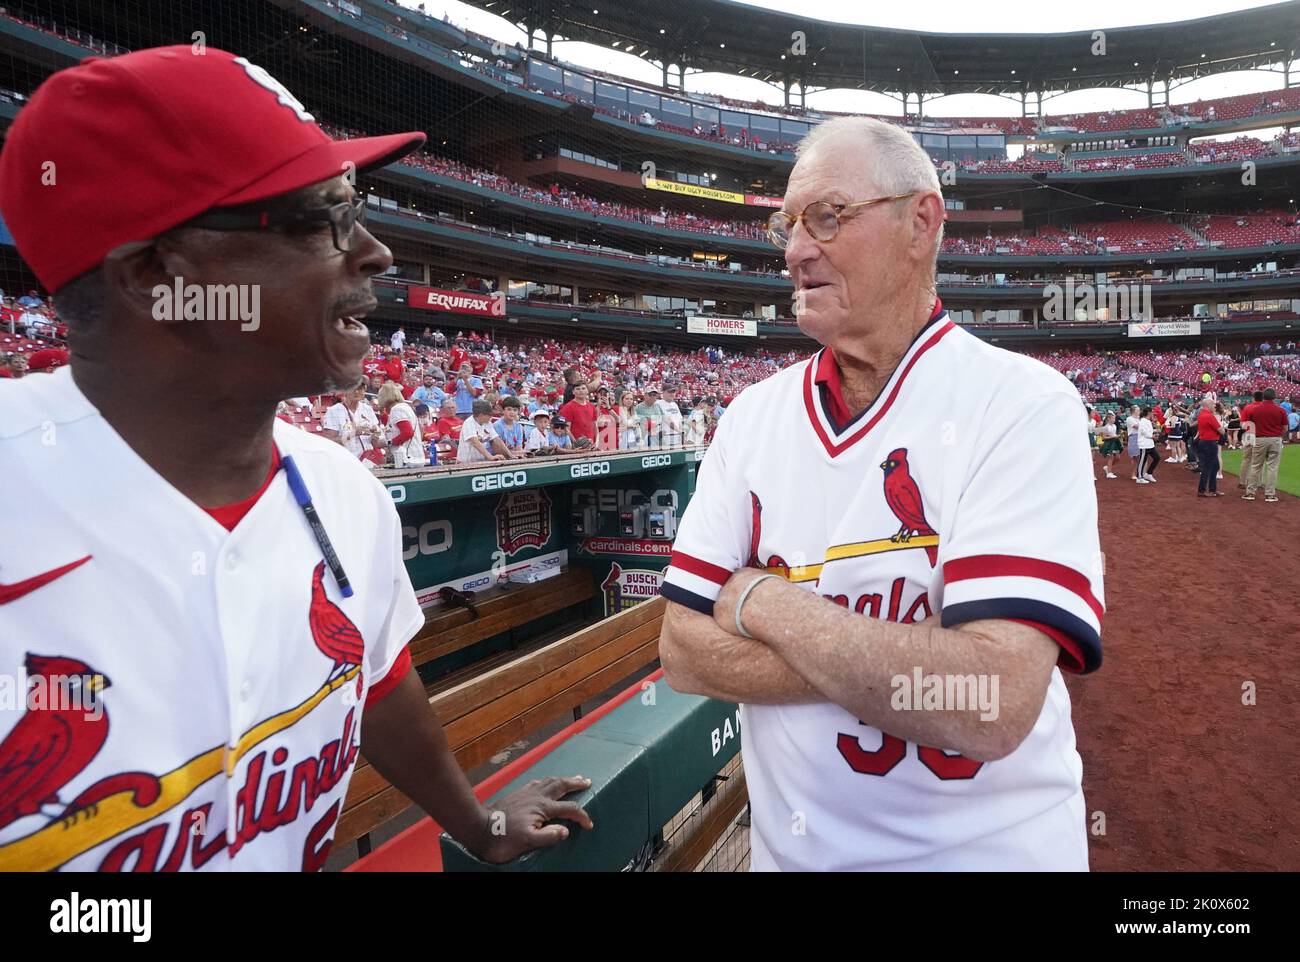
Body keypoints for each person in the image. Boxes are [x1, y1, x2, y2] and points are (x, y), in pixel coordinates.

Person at [0, 46, 588, 870]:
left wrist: (477, 823)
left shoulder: (343, 490)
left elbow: (376, 684)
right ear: (154, 276)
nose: (376, 252)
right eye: (322, 219)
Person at [658, 116, 1103, 871]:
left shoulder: (1022, 402)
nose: (798, 250)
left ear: (920, 221)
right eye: (787, 225)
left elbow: (990, 703)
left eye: (827, 217)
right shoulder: (751, 417)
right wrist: (920, 660)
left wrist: (763, 605)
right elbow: (682, 651)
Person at [321, 378, 386, 459]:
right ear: (345, 391)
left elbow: (377, 443)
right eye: (352, 389)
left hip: (369, 461)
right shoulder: (334, 411)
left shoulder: (368, 409)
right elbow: (330, 442)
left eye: (360, 389)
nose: (356, 392)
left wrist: (376, 435)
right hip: (346, 460)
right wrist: (353, 433)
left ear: (364, 390)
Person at [1242, 387, 1286, 502]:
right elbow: (1285, 427)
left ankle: (1250, 492)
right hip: (1275, 439)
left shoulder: (1255, 409)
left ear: (1264, 397)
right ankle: (1270, 494)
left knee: (1256, 466)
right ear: (1274, 397)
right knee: (1272, 467)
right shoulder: (1280, 410)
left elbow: (1249, 425)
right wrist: (1278, 435)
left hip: (1260, 439)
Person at [376, 380, 425, 467]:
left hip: (408, 459)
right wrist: (383, 415)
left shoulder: (397, 409)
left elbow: (407, 432)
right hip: (414, 457)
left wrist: (388, 443)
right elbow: (393, 426)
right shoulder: (403, 406)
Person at [1194, 397, 1225, 496]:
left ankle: (1212, 489)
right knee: (1208, 467)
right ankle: (1202, 490)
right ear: (1208, 405)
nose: (1214, 406)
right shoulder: (1209, 416)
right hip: (1210, 443)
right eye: (1213, 405)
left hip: (1204, 442)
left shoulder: (1201, 414)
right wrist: (1222, 425)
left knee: (1214, 466)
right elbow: (1222, 431)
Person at [1136, 406, 1160, 483]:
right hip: (1144, 444)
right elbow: (1144, 432)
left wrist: (1155, 431)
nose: (1153, 414)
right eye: (1152, 412)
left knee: (1157, 458)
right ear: (1149, 413)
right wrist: (1152, 436)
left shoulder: (1147, 421)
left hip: (1150, 444)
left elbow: (1148, 431)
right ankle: (1139, 477)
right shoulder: (1142, 421)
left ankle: (1148, 473)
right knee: (1142, 461)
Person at [1098, 412, 1121, 478]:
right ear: (1108, 419)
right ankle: (1109, 473)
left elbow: (1114, 434)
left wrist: (1116, 436)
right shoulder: (1106, 427)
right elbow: (1104, 437)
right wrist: (1113, 437)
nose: (1114, 420)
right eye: (1113, 418)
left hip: (1115, 442)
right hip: (1109, 443)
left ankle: (1107, 467)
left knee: (1117, 457)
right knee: (1111, 457)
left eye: (1114, 418)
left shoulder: (1114, 426)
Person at [1125, 404, 1141, 479]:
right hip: (1133, 437)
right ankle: (1134, 474)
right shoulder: (1129, 419)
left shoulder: (1139, 418)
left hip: (1140, 437)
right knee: (1135, 457)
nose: (1139, 411)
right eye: (1138, 410)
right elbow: (1136, 427)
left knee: (1140, 456)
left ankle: (1139, 473)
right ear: (1133, 411)